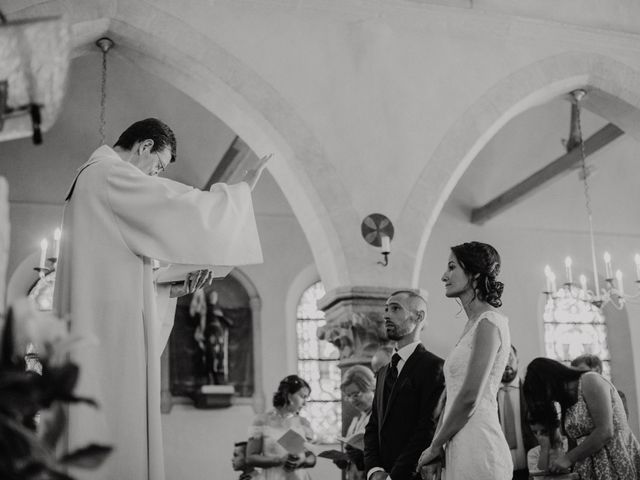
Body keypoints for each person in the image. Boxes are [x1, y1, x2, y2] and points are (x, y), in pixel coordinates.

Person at [54, 118, 267, 480]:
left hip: (97, 331)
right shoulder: (108, 173)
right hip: (108, 340)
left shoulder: (90, 180)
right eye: (160, 165)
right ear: (144, 147)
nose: (155, 175)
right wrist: (240, 192)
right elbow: (177, 205)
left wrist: (167, 286)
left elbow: (115, 270)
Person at [417, 241, 513, 480]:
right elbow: (453, 396)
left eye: (452, 267)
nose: (444, 276)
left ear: (474, 274)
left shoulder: (489, 322)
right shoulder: (471, 325)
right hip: (459, 439)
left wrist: (436, 445)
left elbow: (470, 396)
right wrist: (438, 444)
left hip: (479, 441)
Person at [364, 290, 445, 480]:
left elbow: (427, 428)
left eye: (395, 309)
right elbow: (373, 426)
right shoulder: (384, 371)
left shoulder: (434, 366)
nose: (386, 315)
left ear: (419, 316)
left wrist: (395, 476)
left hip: (411, 475)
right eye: (386, 309)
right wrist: (374, 470)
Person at [523, 357, 640, 479]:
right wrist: (563, 469)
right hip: (589, 470)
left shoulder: (589, 380)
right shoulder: (566, 401)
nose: (550, 400)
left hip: (616, 460)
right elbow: (575, 444)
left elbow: (605, 431)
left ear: (549, 381)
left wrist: (568, 458)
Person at [246, 375, 316, 479]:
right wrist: (278, 460)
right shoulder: (262, 421)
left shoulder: (303, 423)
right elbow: (250, 458)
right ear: (289, 395)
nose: (305, 403)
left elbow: (311, 457)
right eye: (302, 397)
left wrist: (302, 461)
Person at [499, 345, 538, 480]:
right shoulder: (487, 396)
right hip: (499, 470)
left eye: (509, 356)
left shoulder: (532, 391)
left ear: (517, 359)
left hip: (531, 469)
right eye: (500, 357)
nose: (506, 361)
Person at [333, 365, 375, 480]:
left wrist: (362, 457)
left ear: (371, 387)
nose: (352, 400)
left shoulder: (380, 418)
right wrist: (345, 460)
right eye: (349, 396)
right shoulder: (356, 420)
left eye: (356, 394)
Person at [571, 353, 629, 418]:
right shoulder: (575, 399)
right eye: (574, 372)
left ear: (597, 370)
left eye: (581, 370)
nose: (578, 375)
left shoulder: (617, 395)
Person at [526, 404, 568, 476]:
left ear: (557, 424)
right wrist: (544, 450)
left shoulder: (570, 445)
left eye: (544, 431)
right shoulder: (533, 453)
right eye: (535, 432)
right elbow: (539, 478)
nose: (539, 437)